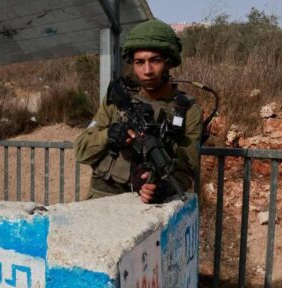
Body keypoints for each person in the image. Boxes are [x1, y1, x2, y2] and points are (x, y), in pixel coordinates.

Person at [74, 19, 202, 204]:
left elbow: (185, 169)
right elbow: (81, 150)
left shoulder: (187, 112)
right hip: (101, 202)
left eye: (155, 60)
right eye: (139, 62)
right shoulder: (117, 102)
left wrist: (165, 189)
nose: (147, 70)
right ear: (132, 64)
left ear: (170, 63)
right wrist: (108, 135)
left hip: (147, 208)